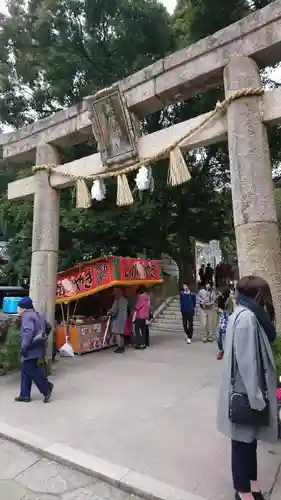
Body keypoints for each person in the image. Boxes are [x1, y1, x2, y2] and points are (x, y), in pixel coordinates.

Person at [217, 276, 278, 500]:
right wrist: (256, 399)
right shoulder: (247, 318)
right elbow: (247, 363)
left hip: (245, 391)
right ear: (259, 295)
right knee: (242, 444)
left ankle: (251, 484)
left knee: (247, 441)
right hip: (246, 392)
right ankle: (243, 491)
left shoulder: (243, 313)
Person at [15, 297, 54, 403]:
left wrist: (24, 346)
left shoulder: (26, 316)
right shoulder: (37, 314)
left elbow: (28, 331)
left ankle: (47, 388)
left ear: (23, 308)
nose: (17, 309)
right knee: (26, 369)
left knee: (31, 369)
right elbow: (48, 326)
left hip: (30, 348)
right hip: (38, 347)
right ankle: (24, 395)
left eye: (18, 307)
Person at [108, 287, 128, 354]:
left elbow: (114, 310)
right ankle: (122, 346)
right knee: (121, 333)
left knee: (117, 333)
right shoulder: (125, 300)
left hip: (117, 318)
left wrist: (110, 312)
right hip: (123, 318)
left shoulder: (117, 300)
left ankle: (120, 347)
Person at [216, 287, 233, 360]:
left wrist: (222, 311)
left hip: (227, 320)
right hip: (221, 319)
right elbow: (216, 307)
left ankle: (229, 352)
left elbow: (230, 311)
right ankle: (221, 350)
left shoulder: (229, 301)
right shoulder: (219, 298)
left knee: (228, 337)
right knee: (218, 337)